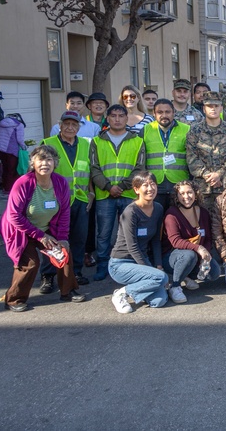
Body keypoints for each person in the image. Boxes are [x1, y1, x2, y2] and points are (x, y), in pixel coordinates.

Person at [0, 145, 84, 311]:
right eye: (40, 159)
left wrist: (62, 237)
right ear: (33, 163)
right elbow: (14, 216)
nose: (45, 163)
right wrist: (40, 236)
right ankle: (14, 300)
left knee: (63, 253)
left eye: (49, 159)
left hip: (45, 228)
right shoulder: (22, 183)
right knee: (30, 263)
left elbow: (65, 211)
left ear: (55, 163)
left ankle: (68, 291)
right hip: (21, 230)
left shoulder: (60, 182)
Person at [89, 104, 146, 281]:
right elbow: (94, 168)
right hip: (105, 195)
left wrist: (121, 186)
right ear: (108, 118)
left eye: (121, 116)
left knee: (130, 232)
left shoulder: (137, 141)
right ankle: (102, 265)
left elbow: (139, 168)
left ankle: (130, 264)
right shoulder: (97, 141)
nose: (117, 119)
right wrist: (108, 187)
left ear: (126, 118)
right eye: (113, 116)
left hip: (128, 194)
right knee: (104, 234)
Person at [42, 111, 92, 287]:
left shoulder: (86, 145)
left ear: (79, 126)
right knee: (53, 238)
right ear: (60, 125)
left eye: (74, 124)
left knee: (79, 239)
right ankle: (48, 276)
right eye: (67, 124)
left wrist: (90, 195)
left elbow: (90, 172)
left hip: (80, 199)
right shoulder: (48, 144)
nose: (70, 128)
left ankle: (75, 272)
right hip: (56, 201)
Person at [108, 171, 169, 313]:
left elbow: (155, 240)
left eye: (153, 184)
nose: (150, 188)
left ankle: (140, 286)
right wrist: (152, 271)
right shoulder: (130, 212)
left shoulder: (158, 208)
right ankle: (121, 293)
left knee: (159, 301)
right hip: (121, 263)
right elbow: (132, 246)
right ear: (136, 189)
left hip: (140, 262)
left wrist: (158, 265)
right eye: (145, 185)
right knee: (161, 277)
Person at [162, 179, 217, 303]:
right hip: (172, 257)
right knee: (189, 255)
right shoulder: (172, 214)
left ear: (196, 193)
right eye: (181, 194)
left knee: (214, 273)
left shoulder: (203, 212)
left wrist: (205, 255)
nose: (186, 197)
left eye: (189, 192)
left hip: (195, 256)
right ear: (176, 197)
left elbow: (208, 238)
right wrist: (199, 248)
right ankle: (175, 286)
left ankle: (185, 275)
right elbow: (175, 241)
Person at [185, 91, 226, 205]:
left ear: (221, 108)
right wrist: (208, 175)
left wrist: (219, 174)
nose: (213, 109)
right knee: (202, 221)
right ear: (204, 109)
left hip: (225, 186)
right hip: (202, 187)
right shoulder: (194, 131)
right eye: (209, 106)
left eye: (216, 106)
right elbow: (192, 158)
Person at [143, 98, 191, 210]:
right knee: (157, 221)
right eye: (160, 112)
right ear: (154, 114)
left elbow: (193, 156)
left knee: (178, 221)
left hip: (179, 184)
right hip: (154, 185)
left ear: (174, 113)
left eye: (167, 112)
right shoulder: (146, 130)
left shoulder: (187, 129)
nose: (164, 115)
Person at [0, 112, 26, 192]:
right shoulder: (19, 125)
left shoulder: (1, 123)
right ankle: (11, 189)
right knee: (12, 170)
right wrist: (24, 147)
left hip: (0, 150)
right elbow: (20, 140)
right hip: (12, 150)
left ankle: (5, 187)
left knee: (4, 169)